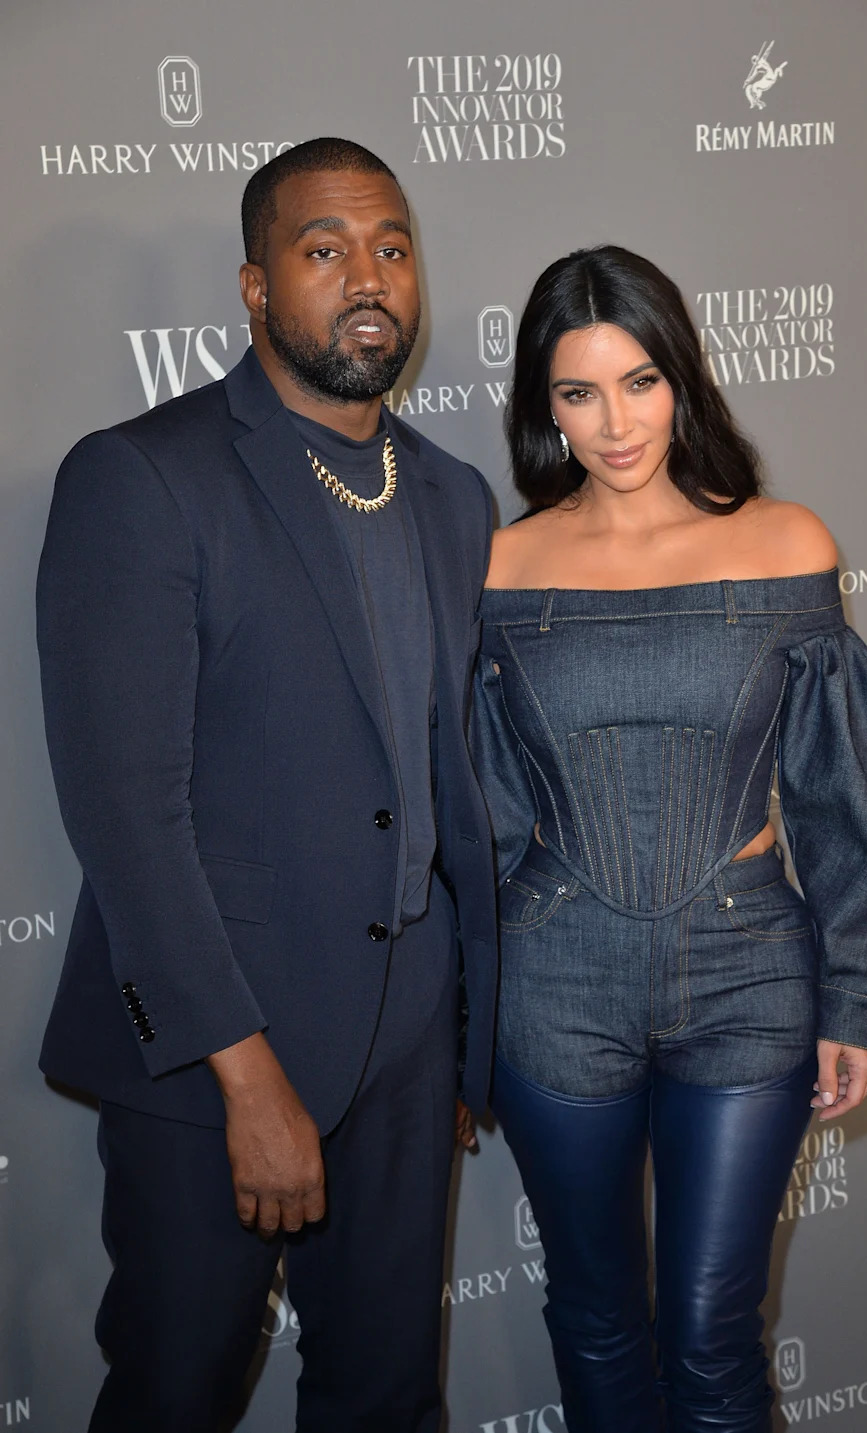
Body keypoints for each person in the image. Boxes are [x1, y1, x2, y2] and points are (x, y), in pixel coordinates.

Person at [36, 137, 497, 1433]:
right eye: (325, 249)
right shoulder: (145, 478)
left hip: (406, 1046)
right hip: (214, 1053)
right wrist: (249, 1080)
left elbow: (446, 793)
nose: (369, 277)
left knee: (386, 1397)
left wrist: (461, 1035)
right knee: (177, 1393)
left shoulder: (454, 499)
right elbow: (127, 814)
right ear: (253, 286)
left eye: (392, 248)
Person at [471, 245, 867, 1433]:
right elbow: (474, 805)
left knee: (717, 1332)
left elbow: (853, 793)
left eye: (639, 381)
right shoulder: (497, 564)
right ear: (542, 405)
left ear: (683, 377)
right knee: (592, 1318)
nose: (614, 421)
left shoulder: (786, 543)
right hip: (552, 978)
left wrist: (856, 997)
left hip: (748, 976)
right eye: (577, 392)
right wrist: (453, 1010)